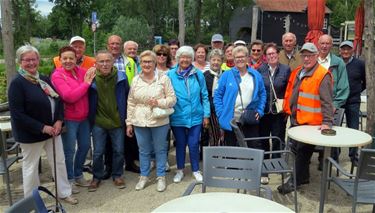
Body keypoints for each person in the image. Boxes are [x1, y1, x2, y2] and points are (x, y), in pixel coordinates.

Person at [8, 44, 78, 204]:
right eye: (27, 60)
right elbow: (18, 114)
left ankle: (63, 192)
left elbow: (58, 100)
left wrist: (59, 120)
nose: (31, 63)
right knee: (31, 169)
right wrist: (42, 127)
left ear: (38, 60)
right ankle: (32, 201)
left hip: (53, 131)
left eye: (34, 59)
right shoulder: (17, 84)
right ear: (20, 62)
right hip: (31, 134)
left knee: (58, 162)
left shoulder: (43, 79)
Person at [277, 43, 334, 194]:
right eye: (304, 55)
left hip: (311, 123)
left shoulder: (322, 75)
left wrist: (327, 122)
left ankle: (293, 182)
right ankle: (304, 177)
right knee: (295, 149)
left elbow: (327, 101)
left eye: (310, 55)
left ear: (316, 56)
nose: (307, 58)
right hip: (297, 119)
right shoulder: (299, 72)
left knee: (302, 153)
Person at [126, 50, 176, 192]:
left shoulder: (164, 79)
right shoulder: (136, 80)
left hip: (159, 120)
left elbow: (172, 99)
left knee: (160, 150)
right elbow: (131, 102)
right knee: (143, 150)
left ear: (155, 63)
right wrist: (129, 122)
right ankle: (144, 176)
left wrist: (158, 102)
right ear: (140, 64)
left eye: (150, 61)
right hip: (140, 120)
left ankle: (161, 176)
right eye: (144, 62)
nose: (147, 64)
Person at [51, 46, 96, 194]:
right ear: (60, 59)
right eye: (65, 58)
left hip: (84, 117)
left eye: (71, 58)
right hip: (69, 118)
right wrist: (86, 84)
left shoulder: (80, 72)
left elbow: (94, 72)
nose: (68, 61)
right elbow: (69, 96)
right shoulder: (57, 75)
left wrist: (96, 69)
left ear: (76, 58)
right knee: (69, 151)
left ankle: (78, 174)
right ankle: (69, 179)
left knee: (84, 146)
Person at [167, 46, 210, 183]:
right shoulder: (170, 75)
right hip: (177, 116)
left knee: (193, 144)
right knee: (180, 144)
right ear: (178, 58)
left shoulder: (198, 74)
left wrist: (206, 115)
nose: (185, 60)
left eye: (188, 57)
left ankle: (195, 170)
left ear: (192, 59)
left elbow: (204, 95)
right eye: (182, 57)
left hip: (196, 116)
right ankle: (179, 170)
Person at [87, 50, 129, 192]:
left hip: (117, 121)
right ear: (96, 63)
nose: (105, 64)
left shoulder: (121, 76)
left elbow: (128, 97)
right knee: (98, 152)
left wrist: (126, 119)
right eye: (101, 61)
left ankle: (117, 175)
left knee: (119, 151)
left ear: (112, 62)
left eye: (107, 61)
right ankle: (96, 177)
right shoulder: (90, 78)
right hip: (98, 121)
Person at [214, 46, 266, 147]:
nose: (240, 59)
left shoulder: (255, 75)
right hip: (231, 120)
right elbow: (217, 95)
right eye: (237, 57)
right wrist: (221, 113)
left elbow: (262, 93)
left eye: (242, 56)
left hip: (249, 118)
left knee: (252, 147)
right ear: (233, 59)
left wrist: (260, 110)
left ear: (247, 58)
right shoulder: (227, 75)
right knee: (231, 148)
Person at [257, 43, 291, 184]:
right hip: (264, 112)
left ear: (278, 54)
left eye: (274, 53)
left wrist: (287, 109)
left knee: (278, 138)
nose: (272, 56)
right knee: (264, 139)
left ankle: (276, 163)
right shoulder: (261, 69)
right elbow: (258, 90)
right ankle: (264, 168)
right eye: (269, 54)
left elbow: (289, 89)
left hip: (279, 112)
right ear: (265, 56)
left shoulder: (286, 69)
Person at [107, 35, 139, 175]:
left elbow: (136, 79)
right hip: (107, 101)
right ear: (108, 45)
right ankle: (109, 167)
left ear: (121, 46)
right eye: (112, 43)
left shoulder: (130, 62)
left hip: (126, 100)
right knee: (108, 136)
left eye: (117, 44)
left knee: (128, 134)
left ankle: (130, 163)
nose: (115, 46)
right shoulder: (102, 60)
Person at [317, 34, 349, 169]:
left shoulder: (338, 62)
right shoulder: (312, 60)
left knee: (328, 135)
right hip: (314, 104)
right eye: (322, 43)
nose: (324, 46)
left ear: (331, 45)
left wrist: (335, 105)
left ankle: (323, 161)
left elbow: (344, 86)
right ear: (318, 44)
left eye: (327, 43)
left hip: (330, 106)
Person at [339, 40, 366, 164]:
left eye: (348, 49)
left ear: (352, 50)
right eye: (343, 49)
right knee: (335, 129)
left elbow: (366, 81)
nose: (345, 51)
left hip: (353, 101)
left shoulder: (360, 64)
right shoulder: (337, 63)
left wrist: (357, 90)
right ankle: (334, 155)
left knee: (353, 129)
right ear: (340, 50)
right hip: (338, 101)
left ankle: (353, 156)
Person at [204, 49, 224, 146]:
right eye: (213, 60)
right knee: (214, 135)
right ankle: (214, 157)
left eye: (218, 60)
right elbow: (203, 96)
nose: (216, 62)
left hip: (224, 110)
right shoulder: (204, 76)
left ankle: (225, 157)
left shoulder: (226, 74)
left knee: (224, 135)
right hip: (211, 111)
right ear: (210, 61)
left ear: (222, 62)